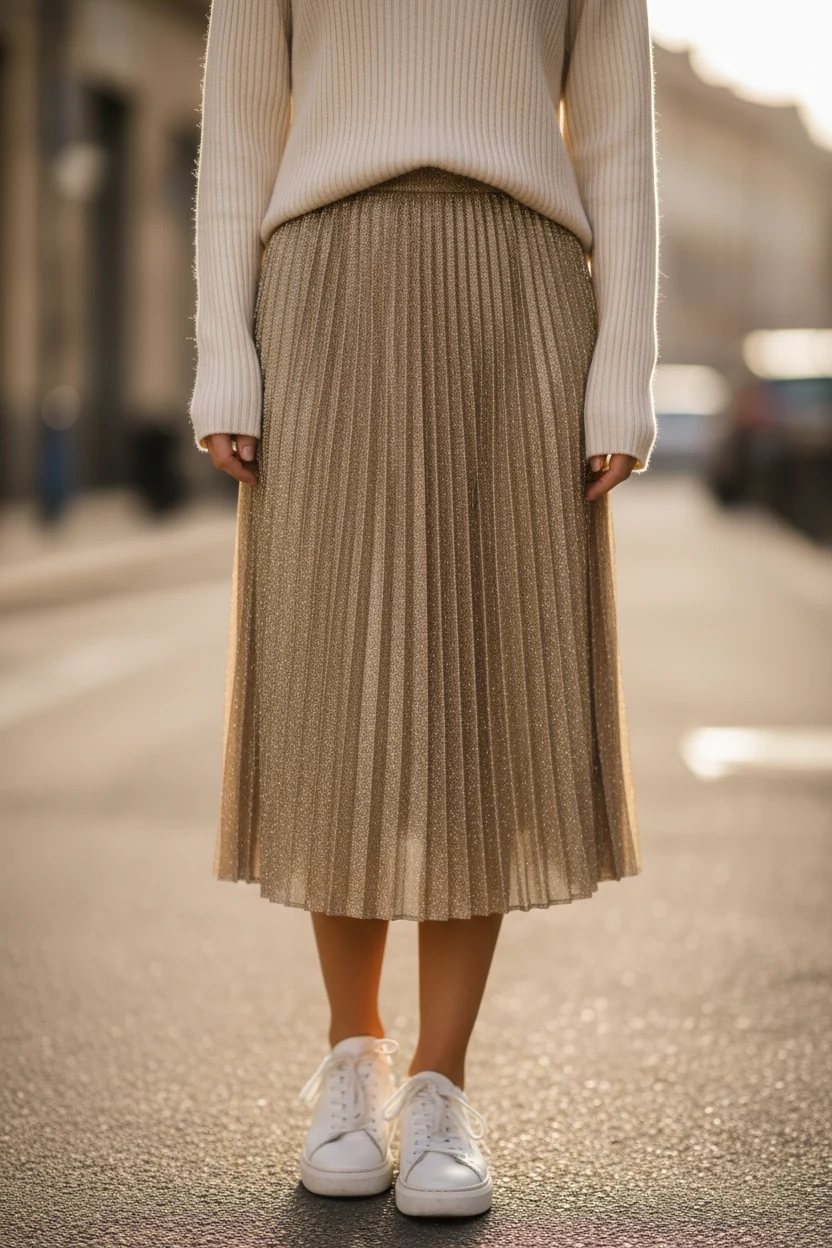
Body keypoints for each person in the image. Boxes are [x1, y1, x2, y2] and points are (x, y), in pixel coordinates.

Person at [189, 0, 658, 1220]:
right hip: (322, 281)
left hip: (521, 283)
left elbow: (614, 131)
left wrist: (623, 371)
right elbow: (238, 123)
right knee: (334, 674)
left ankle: (441, 1084)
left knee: (478, 683)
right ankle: (356, 1055)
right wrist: (222, 355)